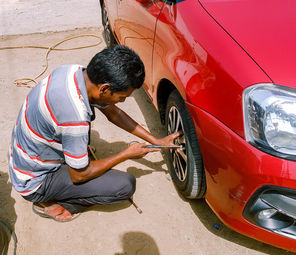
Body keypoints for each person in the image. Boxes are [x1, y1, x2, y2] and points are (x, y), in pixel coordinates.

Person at [8, 45, 179, 222]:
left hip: (23, 158)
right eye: (121, 97)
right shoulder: (74, 117)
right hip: (35, 181)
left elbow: (114, 113)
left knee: (88, 125)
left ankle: (70, 161)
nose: (121, 102)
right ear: (104, 89)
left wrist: (156, 140)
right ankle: (54, 202)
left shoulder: (74, 72)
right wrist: (126, 154)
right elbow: (79, 175)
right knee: (124, 186)